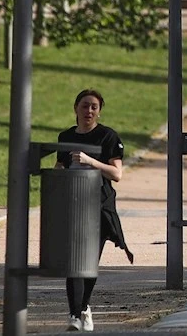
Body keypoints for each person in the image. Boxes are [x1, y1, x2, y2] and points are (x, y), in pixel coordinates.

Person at [55, 89, 134, 332]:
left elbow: (117, 174)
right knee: (73, 262)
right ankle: (74, 316)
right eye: (85, 106)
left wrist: (91, 162)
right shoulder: (65, 136)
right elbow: (59, 165)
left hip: (99, 205)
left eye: (94, 107)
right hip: (74, 204)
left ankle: (84, 307)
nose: (89, 111)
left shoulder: (108, 136)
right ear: (76, 108)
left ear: (99, 112)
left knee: (89, 261)